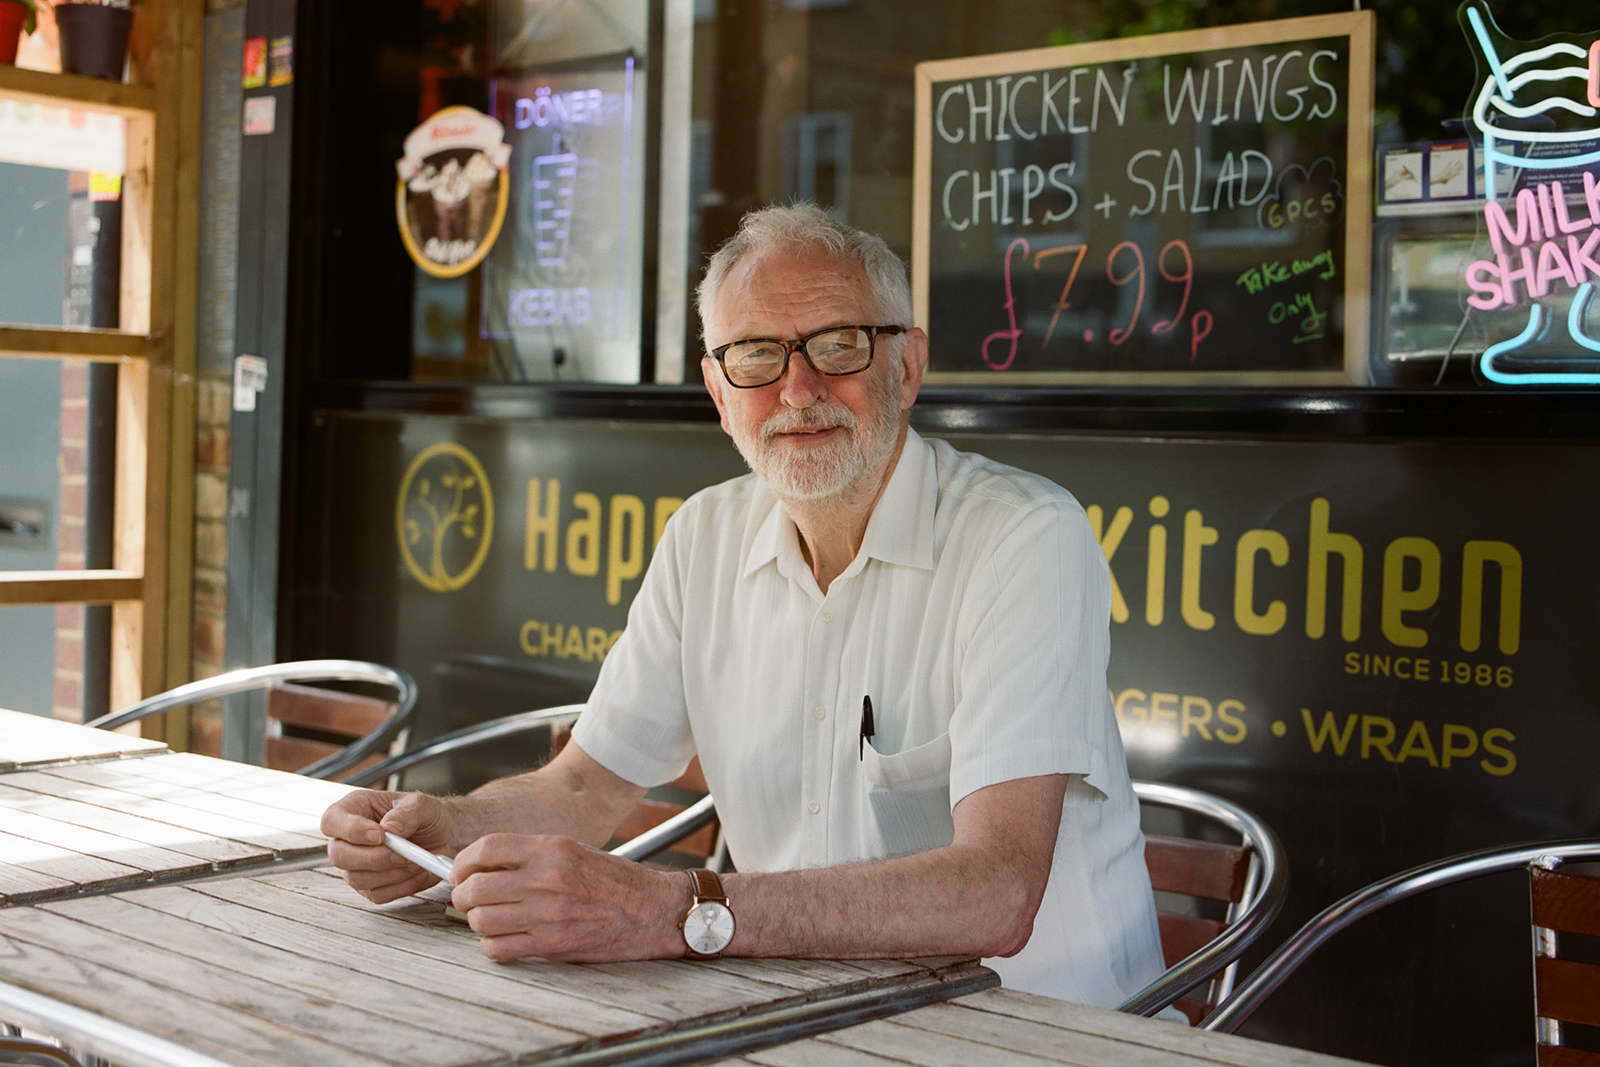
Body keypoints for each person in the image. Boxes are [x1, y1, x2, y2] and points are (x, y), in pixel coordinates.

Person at [322, 203, 1166, 1007]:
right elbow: (582, 784)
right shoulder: (705, 537)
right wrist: (440, 826)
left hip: (1041, 1030)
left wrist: (674, 910)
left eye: (838, 345)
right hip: (797, 1017)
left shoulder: (1024, 536)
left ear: (906, 366)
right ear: (720, 394)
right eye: (756, 355)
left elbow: (996, 891)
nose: (798, 389)